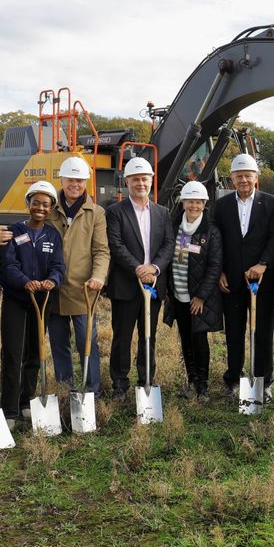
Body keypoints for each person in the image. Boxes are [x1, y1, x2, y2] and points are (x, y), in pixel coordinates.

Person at [0, 180, 65, 429]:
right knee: (14, 353)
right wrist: (25, 282)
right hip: (17, 300)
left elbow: (58, 266)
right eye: (35, 202)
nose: (40, 208)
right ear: (28, 204)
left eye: (45, 204)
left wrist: (52, 280)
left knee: (35, 353)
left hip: (42, 300)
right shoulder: (13, 231)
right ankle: (10, 409)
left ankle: (27, 401)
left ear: (51, 209)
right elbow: (9, 266)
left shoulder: (53, 235)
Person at [104, 157, 174, 400]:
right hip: (125, 286)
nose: (140, 183)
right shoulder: (114, 212)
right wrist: (137, 268)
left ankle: (146, 380)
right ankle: (120, 385)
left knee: (148, 336)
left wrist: (154, 268)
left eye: (144, 179)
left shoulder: (162, 212)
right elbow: (116, 244)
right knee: (121, 338)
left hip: (153, 286)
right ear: (127, 182)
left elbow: (168, 245)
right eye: (135, 179)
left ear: (151, 180)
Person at [212, 153, 274, 398]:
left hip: (261, 281)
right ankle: (233, 378)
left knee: (262, 331)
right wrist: (219, 270)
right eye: (238, 176)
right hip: (231, 280)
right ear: (231, 178)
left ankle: (264, 381)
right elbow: (216, 240)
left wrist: (263, 264)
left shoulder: (271, 204)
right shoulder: (221, 206)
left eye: (248, 175)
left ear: (256, 177)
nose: (243, 180)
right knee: (234, 330)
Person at [45, 156, 111, 397]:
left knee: (86, 342)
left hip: (84, 289)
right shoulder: (50, 210)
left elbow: (101, 250)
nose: (75, 184)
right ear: (61, 180)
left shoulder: (96, 213)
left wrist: (98, 277)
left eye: (80, 180)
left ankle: (92, 389)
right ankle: (66, 389)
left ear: (86, 182)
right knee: (58, 343)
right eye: (71, 179)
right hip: (54, 290)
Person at [162, 181, 224, 399]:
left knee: (199, 339)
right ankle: (191, 380)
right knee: (185, 338)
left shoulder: (211, 231)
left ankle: (203, 386)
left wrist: (201, 297)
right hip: (178, 294)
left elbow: (215, 266)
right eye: (190, 201)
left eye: (198, 202)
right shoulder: (174, 226)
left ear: (204, 204)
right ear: (183, 202)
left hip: (199, 297)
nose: (193, 206)